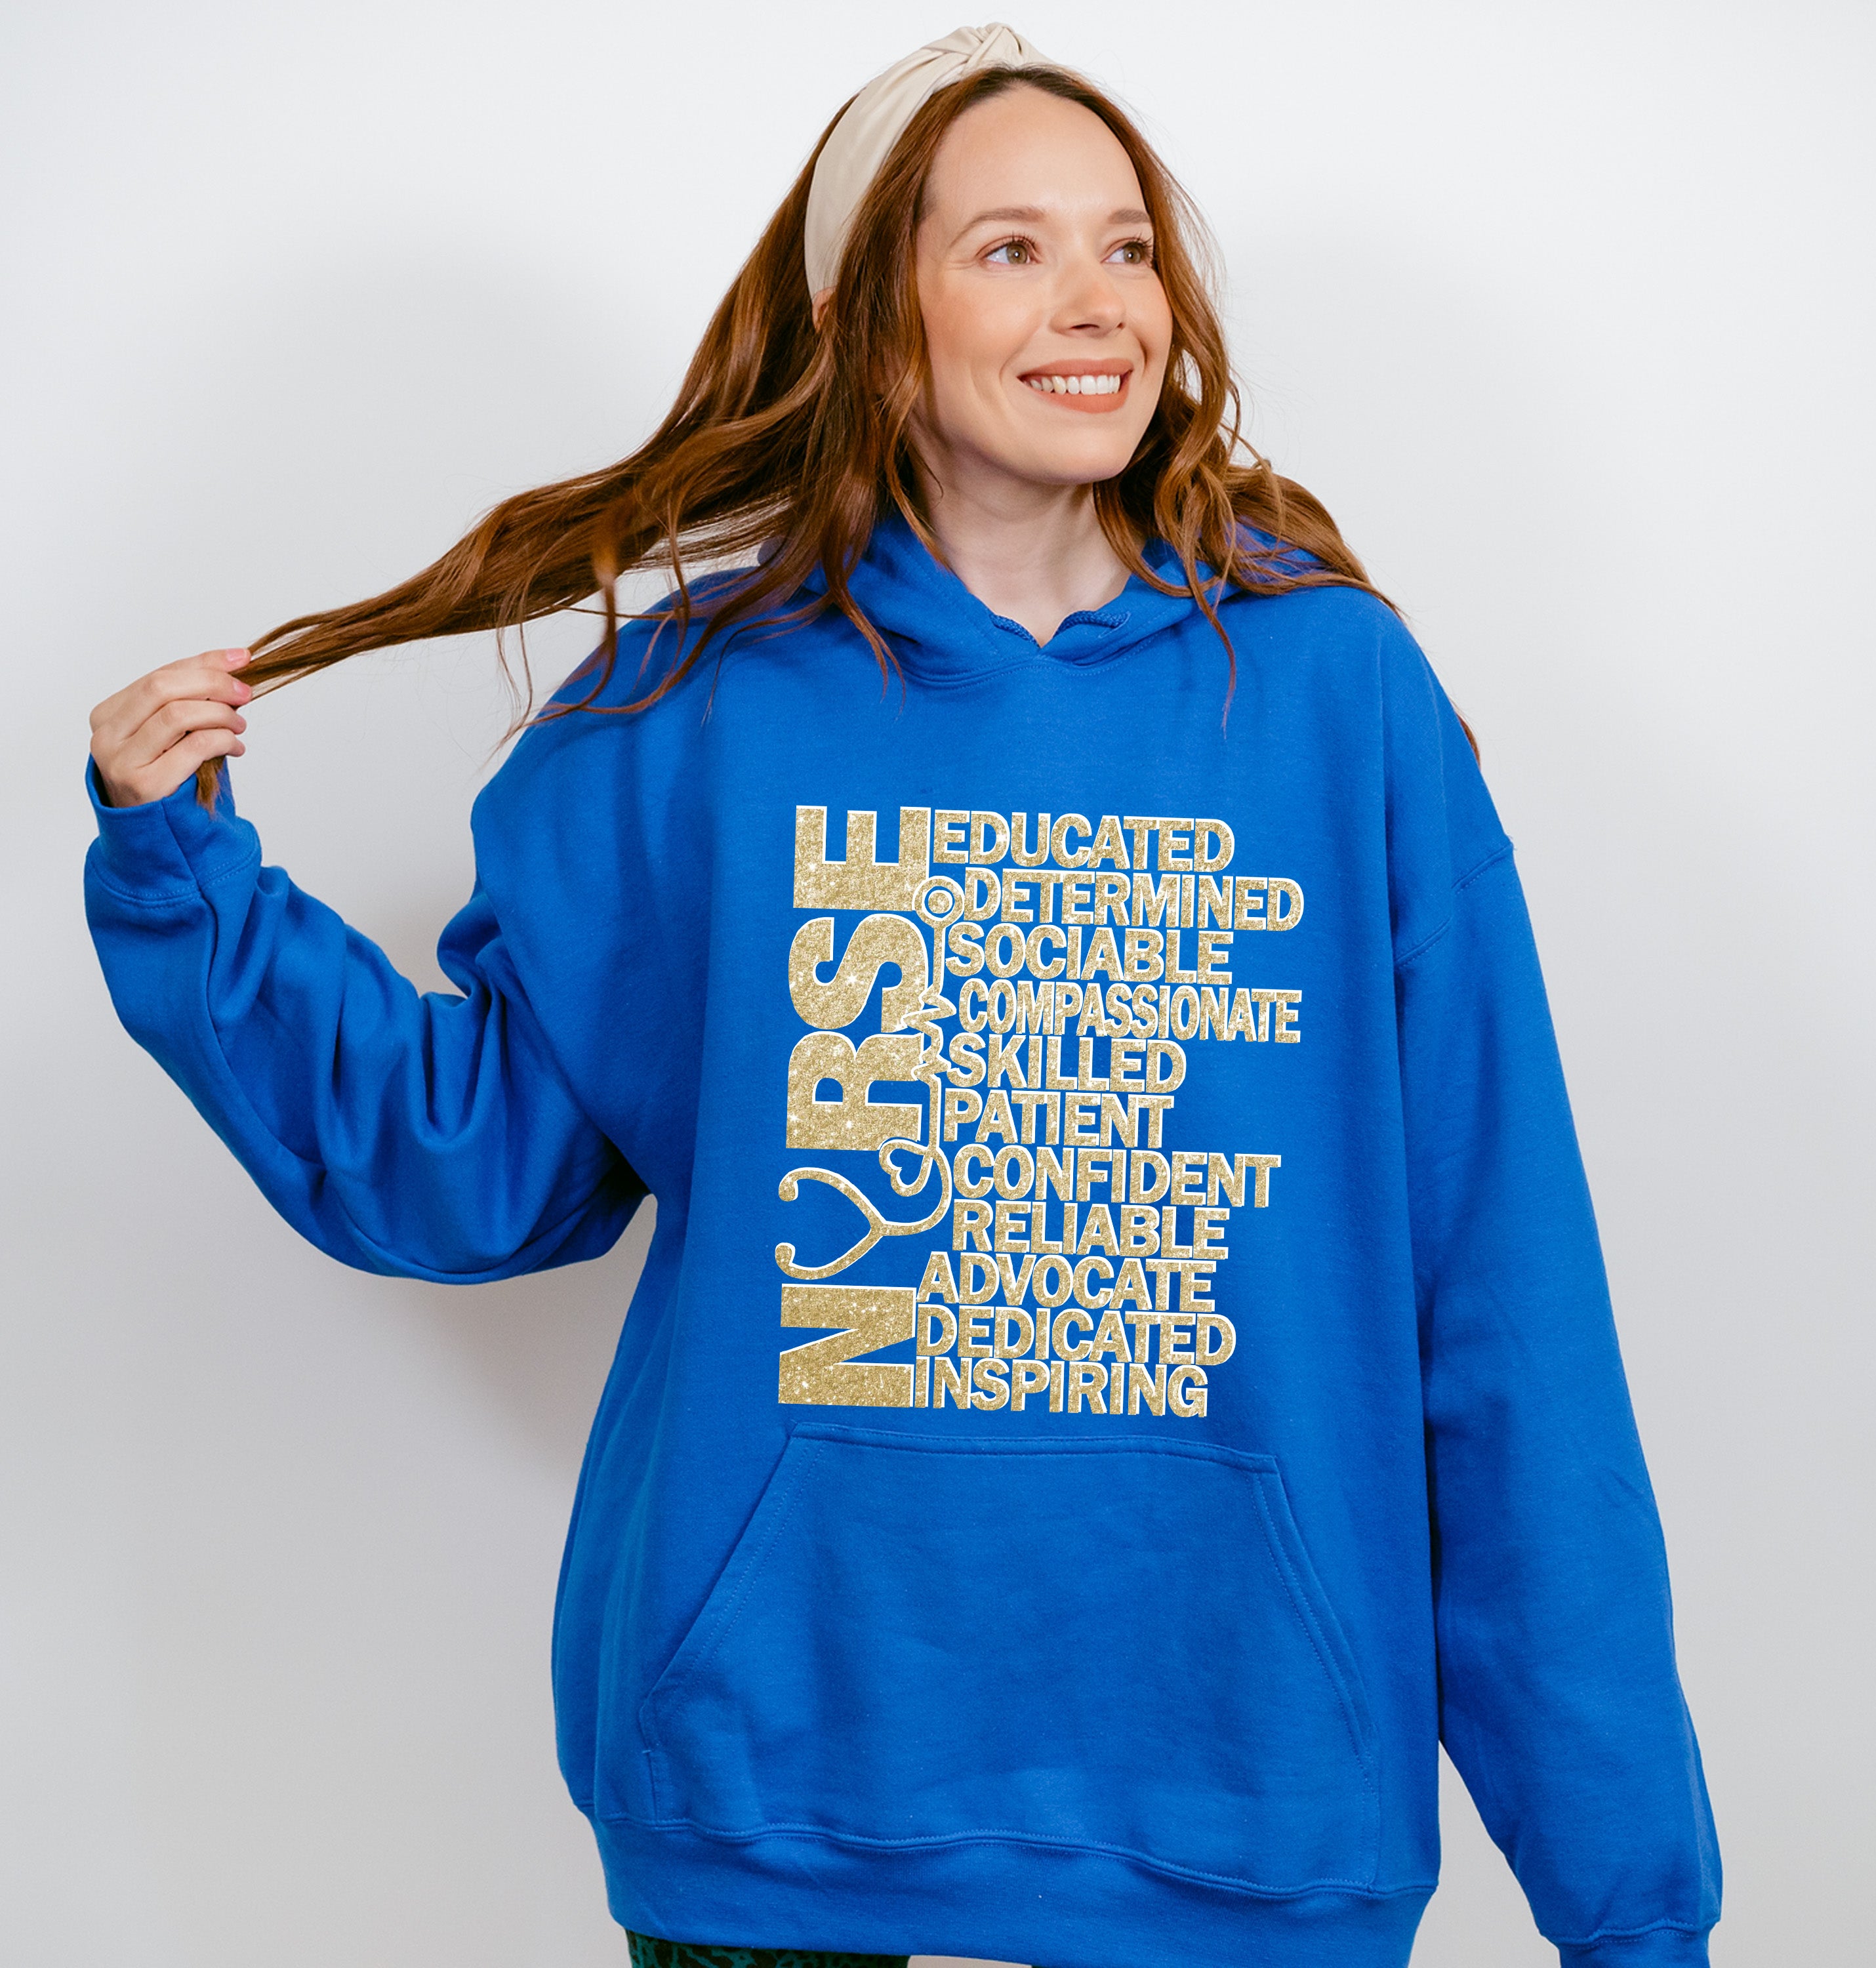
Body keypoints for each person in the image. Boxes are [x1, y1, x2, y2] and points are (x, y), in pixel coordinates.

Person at [83, 24, 1721, 1968]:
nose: (1099, 302)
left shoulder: (1332, 693)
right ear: (876, 323)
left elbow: (1503, 1293)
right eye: (1012, 249)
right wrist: (188, 882)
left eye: (1127, 246)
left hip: (1241, 1781)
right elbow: (473, 1167)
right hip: (773, 1775)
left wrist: (1630, 1901)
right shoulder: (693, 710)